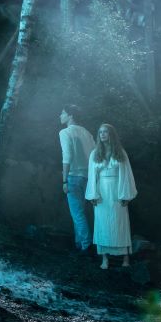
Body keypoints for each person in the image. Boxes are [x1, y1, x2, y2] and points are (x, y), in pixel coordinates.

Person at [85, 123, 137, 269]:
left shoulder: (120, 152)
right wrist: (93, 195)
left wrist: (125, 195)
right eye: (100, 132)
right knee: (102, 223)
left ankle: (125, 258)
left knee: (120, 222)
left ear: (111, 134)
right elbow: (92, 175)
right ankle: (104, 258)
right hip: (101, 192)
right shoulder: (95, 153)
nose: (102, 134)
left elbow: (126, 174)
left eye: (105, 132)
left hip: (116, 190)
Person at [59, 105, 96, 254]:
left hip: (73, 177)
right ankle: (79, 244)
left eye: (63, 113)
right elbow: (94, 157)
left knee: (77, 214)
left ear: (71, 116)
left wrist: (64, 180)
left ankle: (86, 245)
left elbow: (67, 156)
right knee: (80, 213)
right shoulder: (87, 133)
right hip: (87, 177)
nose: (60, 116)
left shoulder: (65, 132)